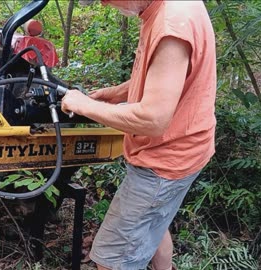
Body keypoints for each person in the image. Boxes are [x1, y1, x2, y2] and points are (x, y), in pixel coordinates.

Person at [61, 0, 216, 269]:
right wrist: (113, 94)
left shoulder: (171, 23)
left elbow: (152, 119)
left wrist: (85, 105)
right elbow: (165, 76)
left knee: (110, 261)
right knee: (156, 222)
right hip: (190, 149)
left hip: (165, 160)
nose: (104, 3)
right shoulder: (175, 7)